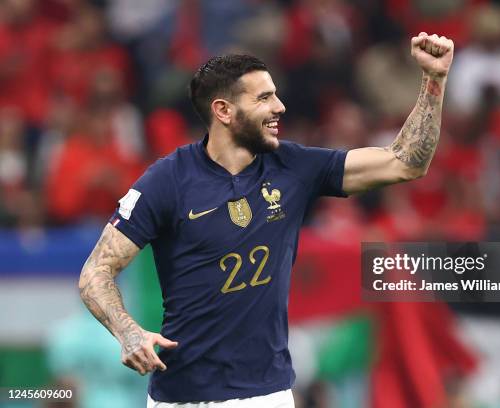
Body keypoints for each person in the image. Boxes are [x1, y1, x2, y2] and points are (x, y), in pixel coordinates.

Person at [78, 32, 454, 408]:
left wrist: (433, 79)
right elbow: (96, 272)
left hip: (268, 395)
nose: (280, 106)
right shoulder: (167, 181)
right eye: (263, 98)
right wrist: (128, 332)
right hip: (184, 398)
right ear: (224, 111)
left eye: (274, 93)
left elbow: (406, 162)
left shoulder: (294, 167)